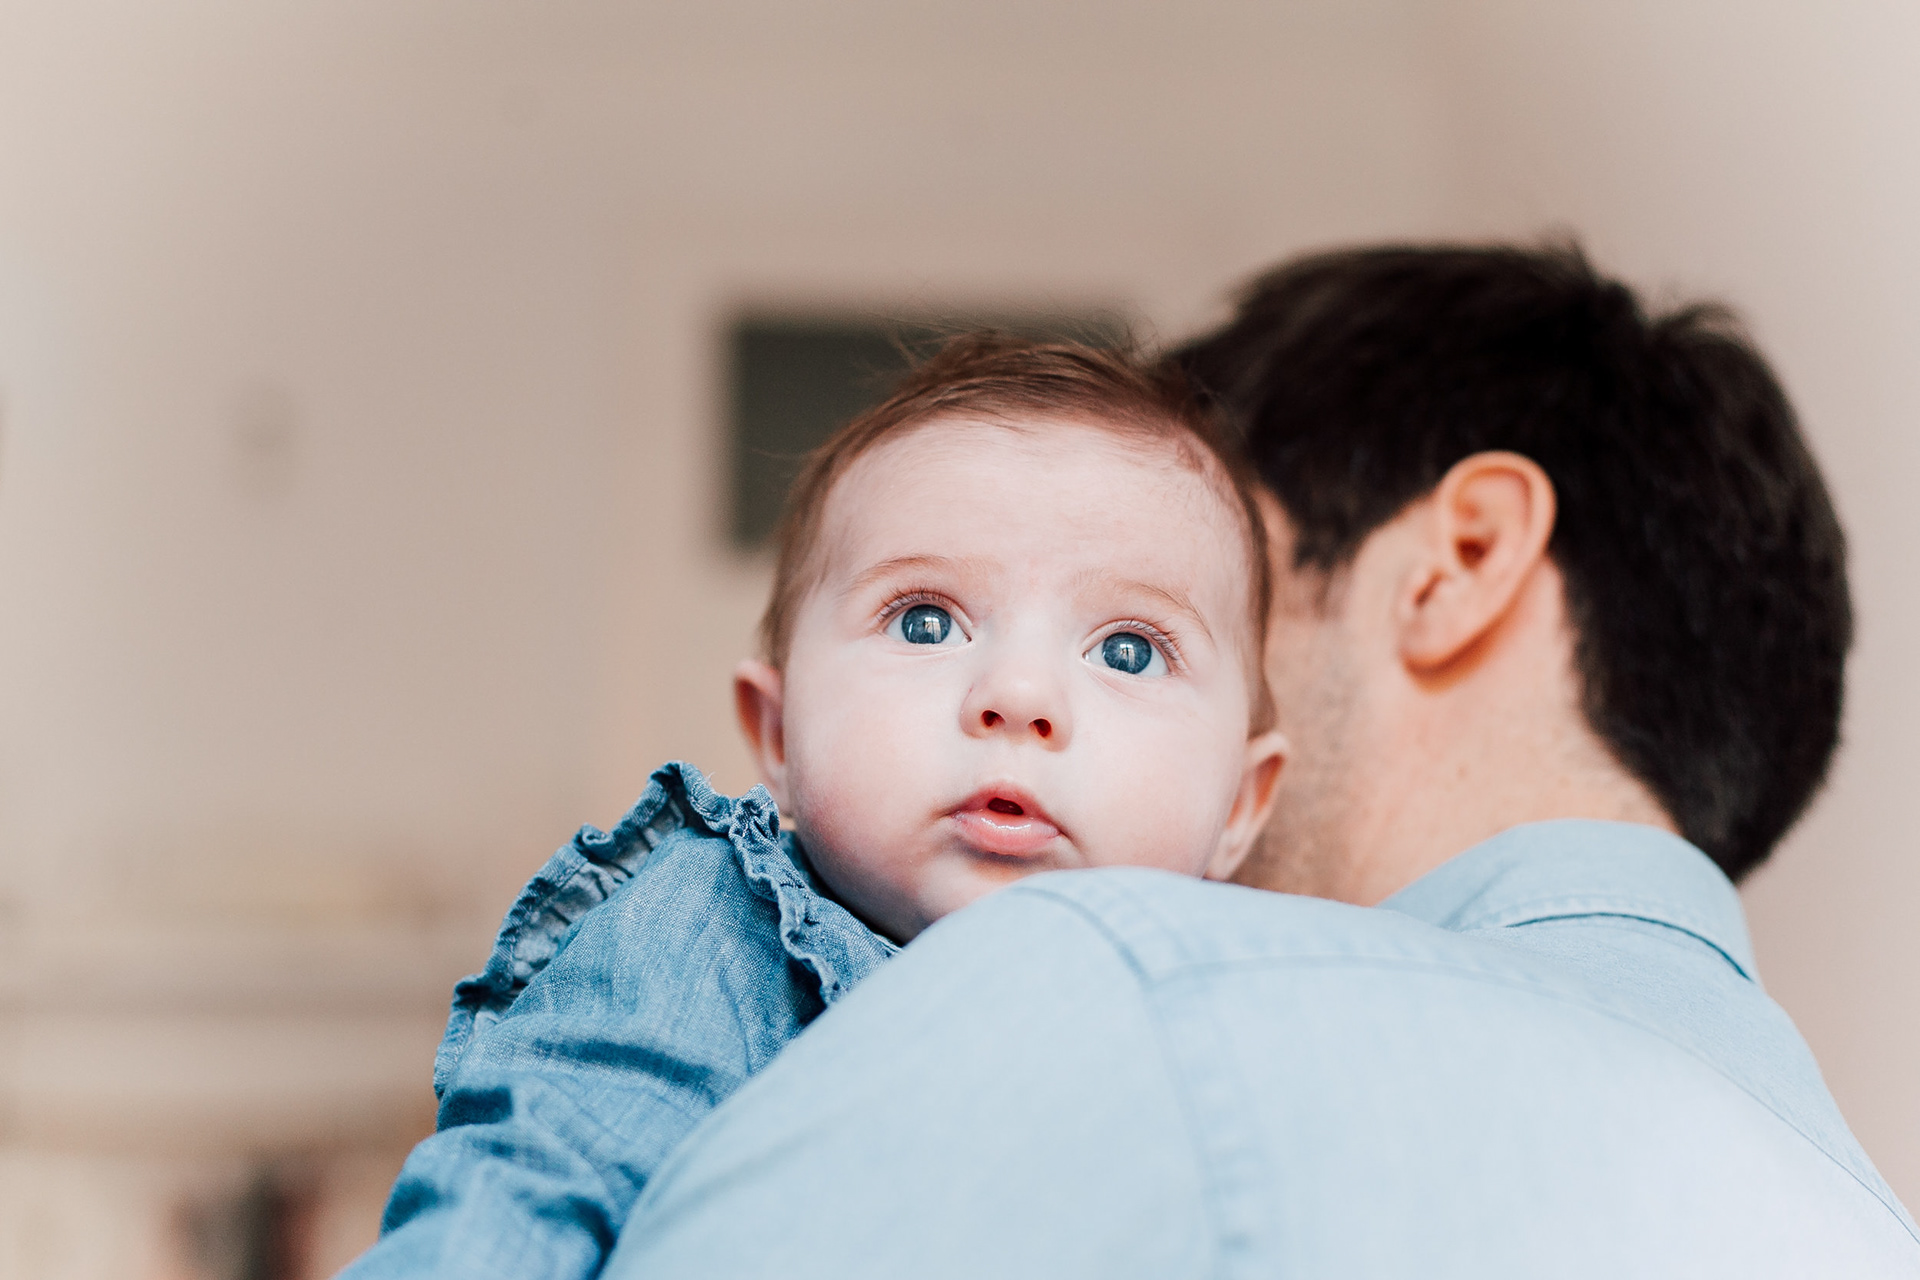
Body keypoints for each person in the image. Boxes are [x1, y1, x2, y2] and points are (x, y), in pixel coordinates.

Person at [591, 245, 1920, 1277]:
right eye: (935, 617)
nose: (1031, 696)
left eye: (1145, 622)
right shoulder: (1863, 1220)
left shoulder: (1111, 980)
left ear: (1461, 563)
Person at [340, 334, 1288, 1278]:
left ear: (1242, 804)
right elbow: (527, 1192)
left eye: (1129, 650)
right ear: (778, 734)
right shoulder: (715, 938)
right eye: (926, 621)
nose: (1018, 695)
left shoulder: (1258, 1022)